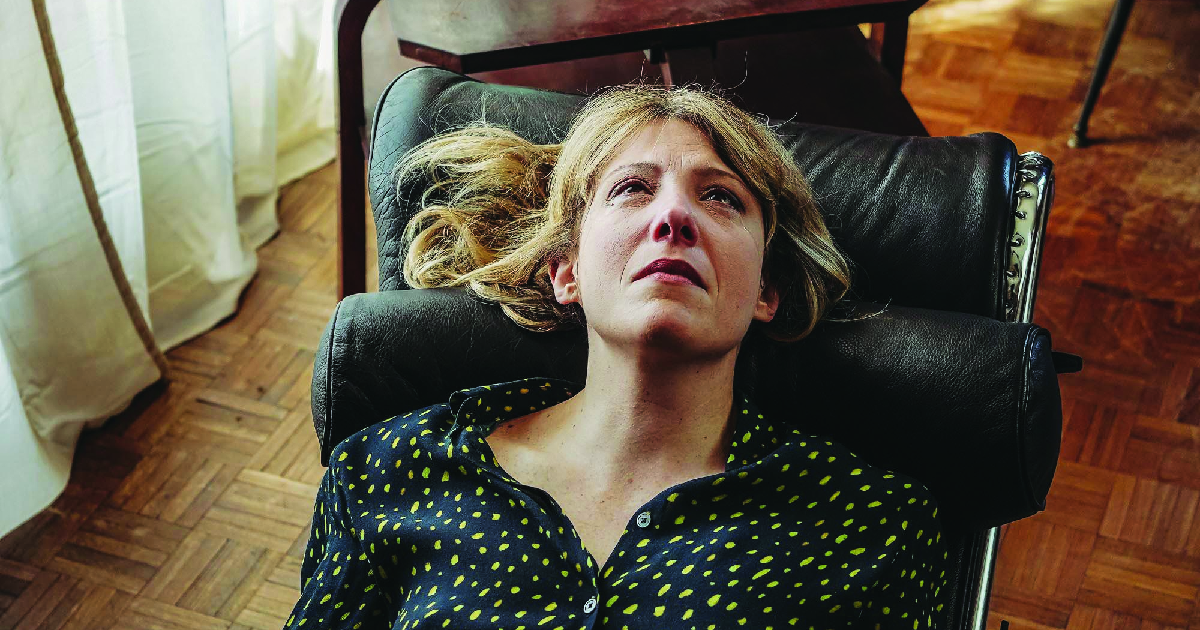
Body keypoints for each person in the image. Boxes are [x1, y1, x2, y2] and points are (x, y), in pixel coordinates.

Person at [284, 84, 947, 630]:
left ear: (766, 293)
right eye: (632, 188)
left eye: (720, 197)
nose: (674, 217)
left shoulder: (873, 527)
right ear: (566, 271)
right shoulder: (390, 471)